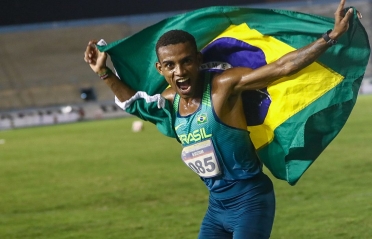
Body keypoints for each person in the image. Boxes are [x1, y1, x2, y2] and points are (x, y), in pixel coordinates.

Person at [84, 0, 358, 238]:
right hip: (217, 207)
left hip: (251, 201)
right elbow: (135, 103)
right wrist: (104, 73)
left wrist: (330, 37)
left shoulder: (222, 87)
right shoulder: (170, 100)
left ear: (197, 59)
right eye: (170, 65)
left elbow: (281, 67)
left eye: (186, 61)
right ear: (161, 69)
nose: (180, 71)